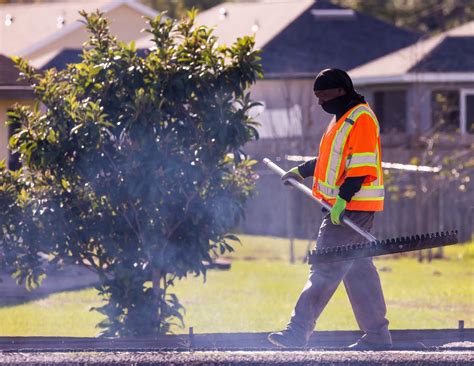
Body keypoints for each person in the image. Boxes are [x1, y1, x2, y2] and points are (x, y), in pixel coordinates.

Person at [267, 68, 392, 350]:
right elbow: (329, 160)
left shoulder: (361, 119)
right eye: (317, 97)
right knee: (359, 268)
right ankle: (377, 337)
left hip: (349, 208)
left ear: (340, 91)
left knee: (324, 268)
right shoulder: (342, 119)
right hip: (344, 207)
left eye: (324, 96)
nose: (320, 102)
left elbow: (360, 168)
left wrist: (342, 201)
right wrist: (302, 171)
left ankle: (297, 332)